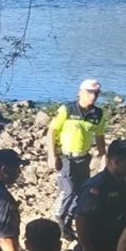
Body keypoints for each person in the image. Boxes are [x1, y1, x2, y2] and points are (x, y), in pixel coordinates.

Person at [47, 79, 108, 239]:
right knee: (69, 189)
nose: (93, 96)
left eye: (96, 93)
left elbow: (99, 136)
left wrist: (103, 157)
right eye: (89, 92)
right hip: (65, 156)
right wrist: (52, 155)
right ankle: (59, 217)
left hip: (83, 157)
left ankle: (67, 224)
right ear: (80, 92)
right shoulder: (67, 109)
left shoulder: (98, 114)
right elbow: (52, 131)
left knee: (81, 192)